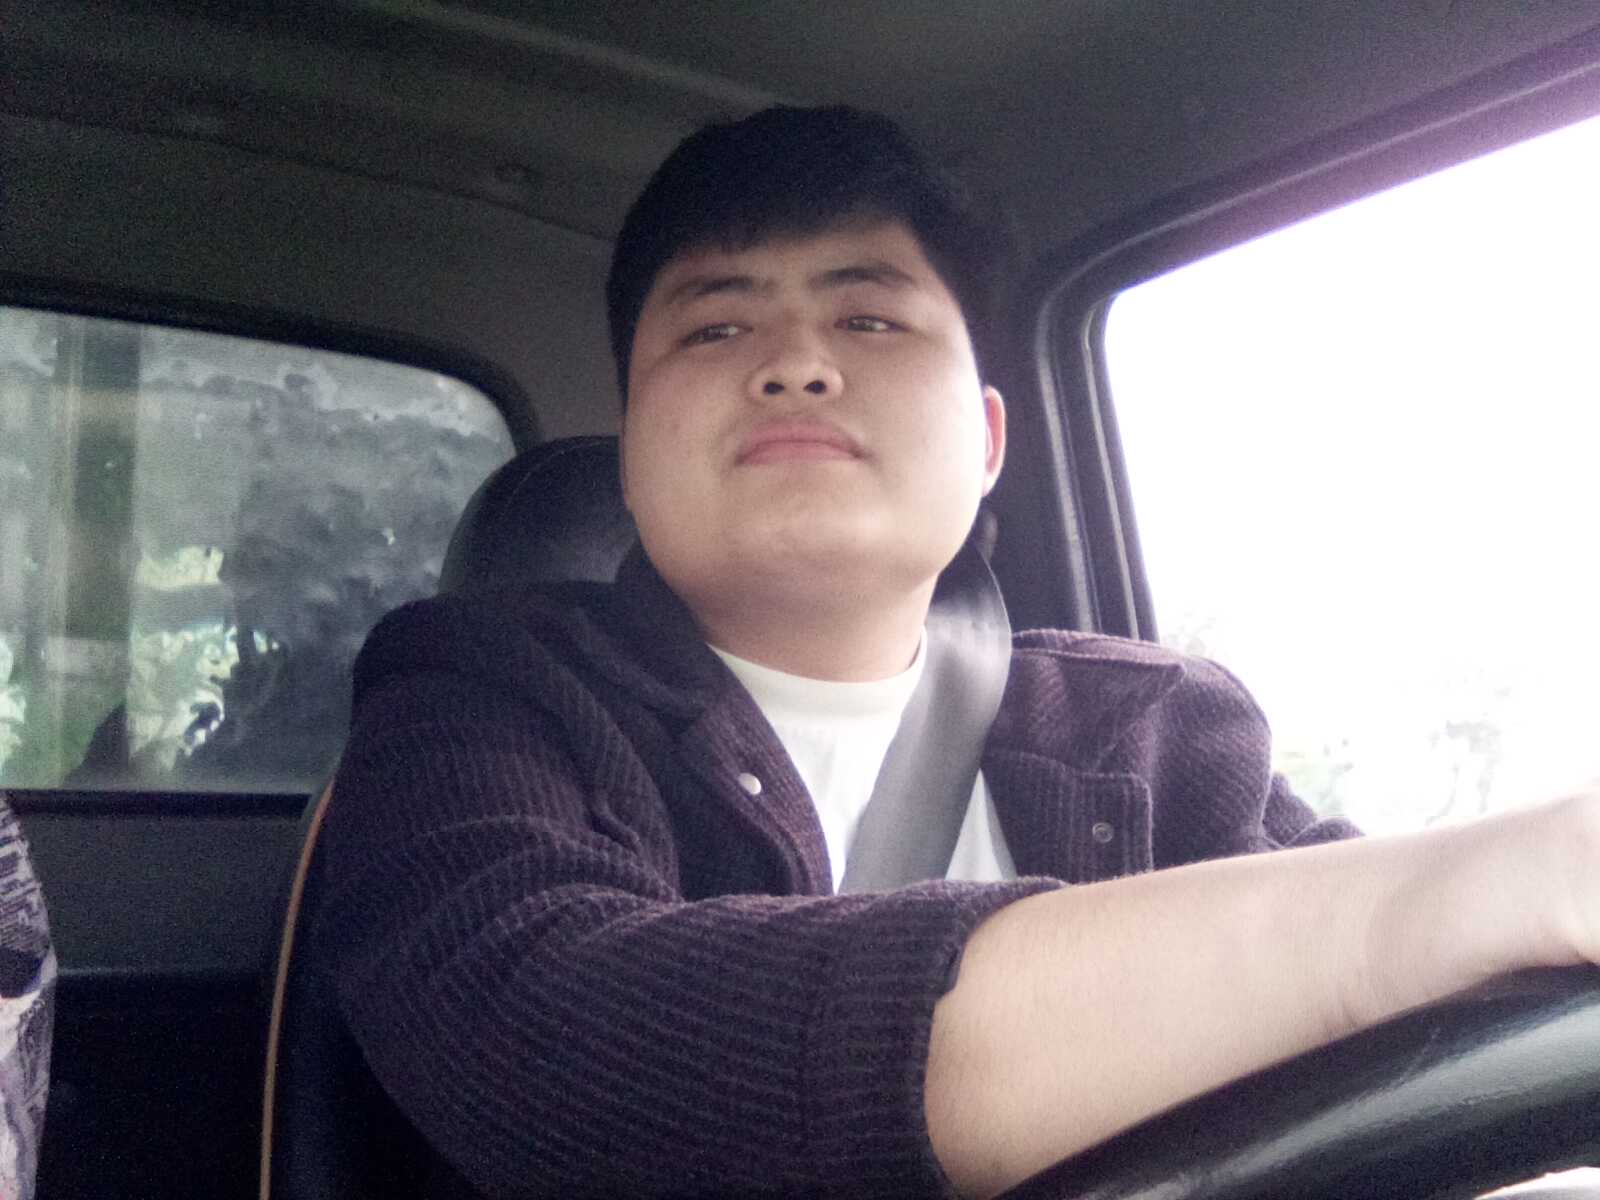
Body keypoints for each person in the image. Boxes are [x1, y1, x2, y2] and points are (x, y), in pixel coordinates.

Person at [313, 106, 1600, 1199]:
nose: (796, 365)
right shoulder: (472, 696)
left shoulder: (1161, 731)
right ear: (632, 442)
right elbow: (542, 1042)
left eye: (870, 320)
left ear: (987, 440)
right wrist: (1429, 906)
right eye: (714, 328)